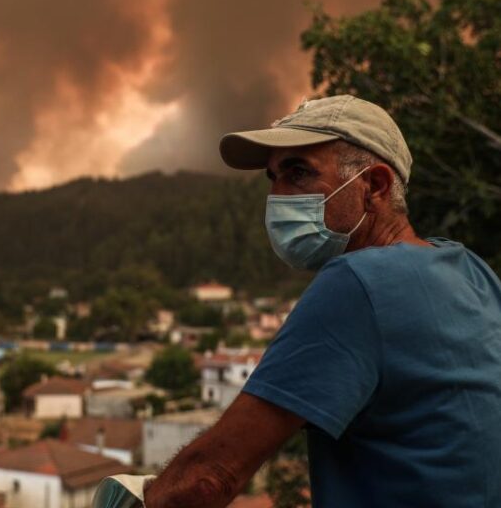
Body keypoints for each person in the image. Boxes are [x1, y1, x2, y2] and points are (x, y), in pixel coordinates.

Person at [143, 95, 501, 507]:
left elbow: (208, 479)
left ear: (375, 186)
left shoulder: (356, 282)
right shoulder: (471, 269)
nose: (277, 196)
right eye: (272, 178)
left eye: (298, 173)